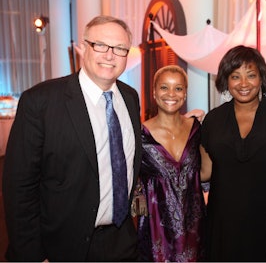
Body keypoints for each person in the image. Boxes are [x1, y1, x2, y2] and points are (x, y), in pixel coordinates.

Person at [2, 15, 142, 261]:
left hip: (122, 240)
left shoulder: (130, 98)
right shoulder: (40, 102)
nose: (110, 55)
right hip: (61, 246)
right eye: (100, 45)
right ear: (84, 47)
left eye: (120, 48)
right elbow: (19, 188)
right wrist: (33, 255)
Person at [200, 45, 266, 261]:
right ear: (226, 80)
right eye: (235, 76)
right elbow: (204, 172)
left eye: (251, 75)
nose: (243, 84)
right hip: (223, 224)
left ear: (261, 77)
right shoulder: (213, 119)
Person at [136, 65, 206, 262]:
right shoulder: (139, 135)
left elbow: (206, 173)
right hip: (156, 236)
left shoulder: (197, 129)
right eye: (164, 87)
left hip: (195, 232)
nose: (171, 94)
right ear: (154, 92)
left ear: (185, 93)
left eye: (178, 88)